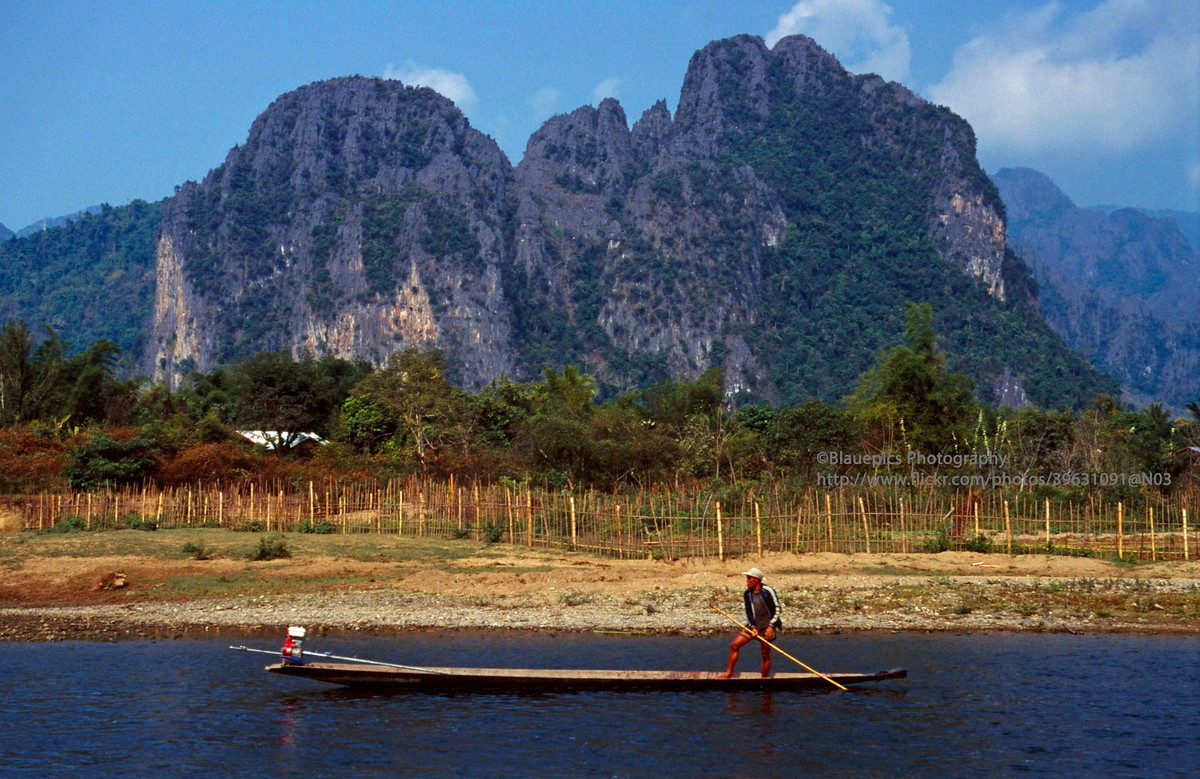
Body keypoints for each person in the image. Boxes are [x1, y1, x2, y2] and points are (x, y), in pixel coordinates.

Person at [717, 567, 783, 678]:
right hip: (754, 626)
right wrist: (753, 627)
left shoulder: (768, 591)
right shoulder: (747, 593)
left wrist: (771, 626)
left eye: (749, 578)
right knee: (734, 645)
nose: (747, 581)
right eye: (747, 578)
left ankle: (764, 679)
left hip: (767, 627)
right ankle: (728, 673)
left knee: (765, 654)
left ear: (757, 579)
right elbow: (748, 612)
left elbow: (777, 608)